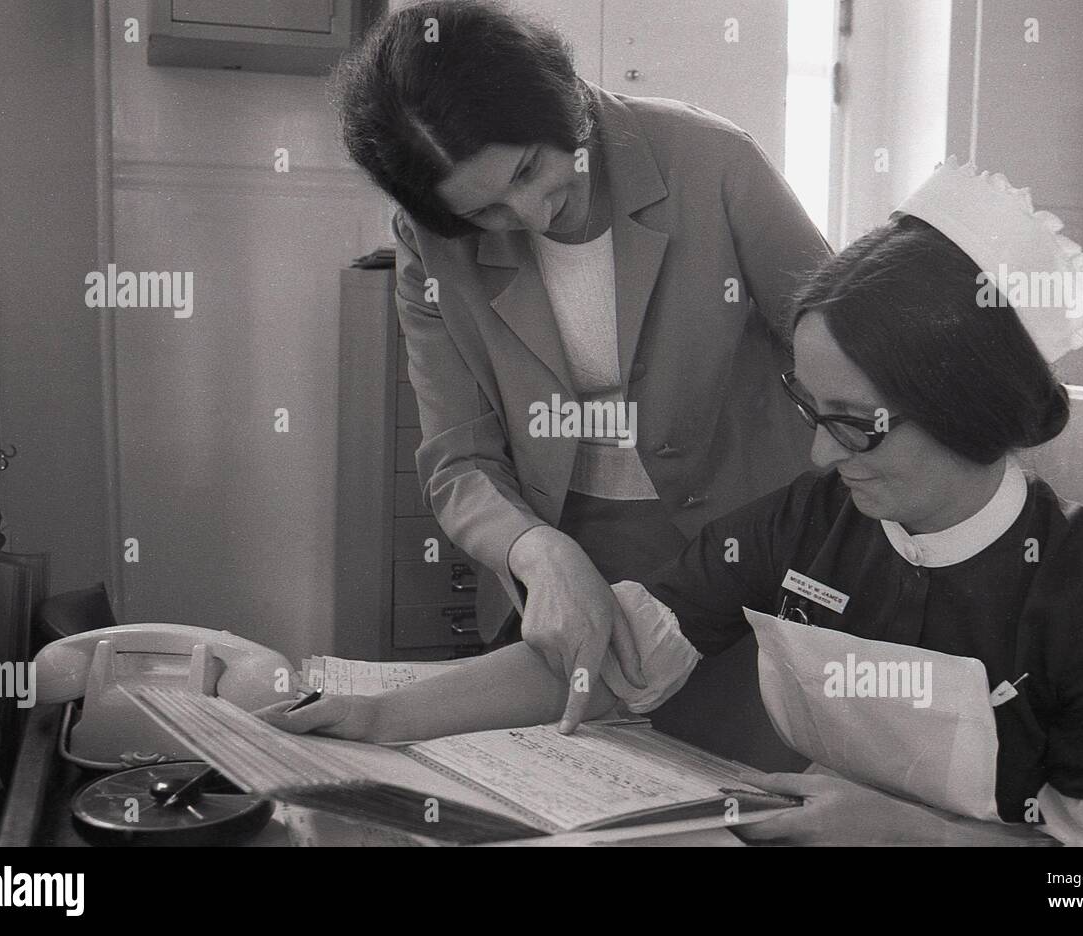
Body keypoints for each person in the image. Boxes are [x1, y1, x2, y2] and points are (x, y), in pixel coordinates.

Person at [264, 159, 1083, 845]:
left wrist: (918, 837)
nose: (815, 449)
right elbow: (603, 655)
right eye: (809, 407)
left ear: (970, 409)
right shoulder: (807, 525)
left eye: (855, 422)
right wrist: (378, 720)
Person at [333, 0, 829, 731]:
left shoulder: (710, 160)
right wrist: (534, 550)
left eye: (531, 169)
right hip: (563, 559)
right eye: (486, 212)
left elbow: (841, 352)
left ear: (558, 94)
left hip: (744, 552)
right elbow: (458, 455)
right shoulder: (429, 244)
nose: (531, 215)